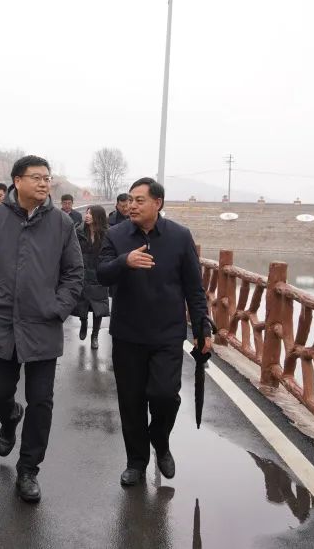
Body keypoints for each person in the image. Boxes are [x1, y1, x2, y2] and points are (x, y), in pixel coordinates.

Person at [0, 155, 83, 503]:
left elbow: (74, 273)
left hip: (42, 324)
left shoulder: (61, 223)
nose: (45, 183)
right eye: (37, 177)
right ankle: (9, 417)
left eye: (47, 178)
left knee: (41, 401)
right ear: (17, 181)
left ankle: (29, 469)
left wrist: (58, 307)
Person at [97, 177, 213, 488]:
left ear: (157, 203)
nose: (132, 205)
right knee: (131, 401)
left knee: (164, 395)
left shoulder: (179, 236)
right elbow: (101, 274)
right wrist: (125, 261)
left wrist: (202, 327)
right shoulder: (116, 235)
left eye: (139, 200)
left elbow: (194, 287)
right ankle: (136, 462)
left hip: (167, 334)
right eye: (130, 200)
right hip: (128, 334)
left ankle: (160, 440)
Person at [75, 205, 111, 350]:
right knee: (82, 304)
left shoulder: (107, 234)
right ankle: (83, 323)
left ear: (98, 216)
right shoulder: (78, 232)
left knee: (98, 307)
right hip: (83, 273)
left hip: (99, 275)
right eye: (87, 213)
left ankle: (95, 335)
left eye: (91, 213)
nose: (87, 215)